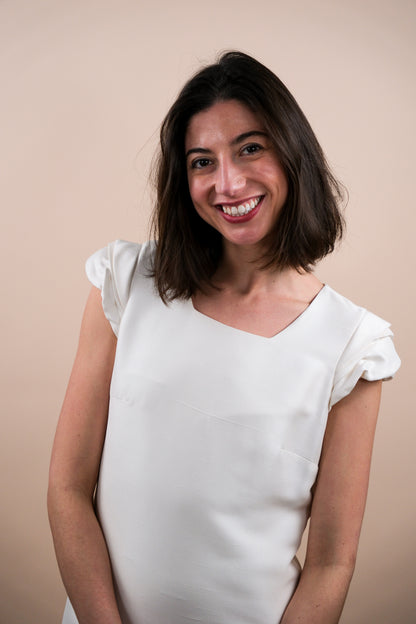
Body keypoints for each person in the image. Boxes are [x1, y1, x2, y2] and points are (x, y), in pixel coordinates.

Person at [48, 51, 400, 624]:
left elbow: (332, 563)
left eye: (250, 148)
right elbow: (67, 488)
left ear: (293, 153)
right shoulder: (125, 284)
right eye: (201, 161)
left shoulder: (352, 345)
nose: (228, 182)